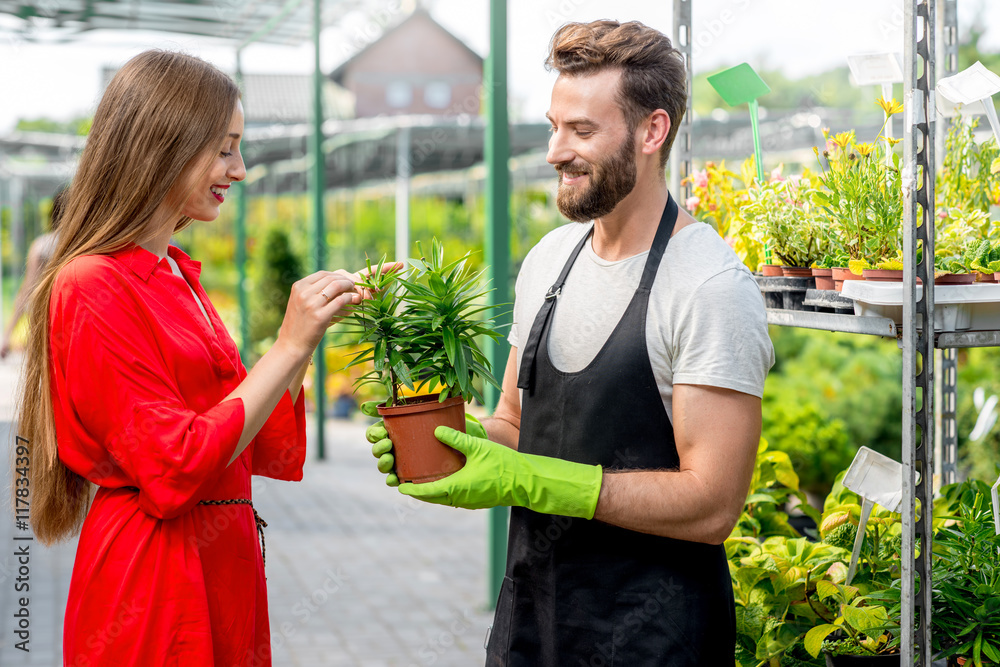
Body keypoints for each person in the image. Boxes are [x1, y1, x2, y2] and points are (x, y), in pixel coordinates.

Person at [367, 20, 774, 665]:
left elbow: (712, 504)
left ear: (652, 131)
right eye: (555, 126)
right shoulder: (550, 260)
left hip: (654, 640)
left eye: (582, 131)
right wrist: (455, 442)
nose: (556, 150)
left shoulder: (707, 286)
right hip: (533, 625)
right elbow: (514, 424)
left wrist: (537, 481)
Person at [14, 50, 382, 666]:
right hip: (156, 578)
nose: (239, 169)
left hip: (220, 557)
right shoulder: (90, 283)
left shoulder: (175, 271)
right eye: (225, 148)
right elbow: (173, 461)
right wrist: (287, 343)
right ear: (161, 145)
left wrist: (306, 337)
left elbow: (253, 438)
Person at [0, 186, 66, 359]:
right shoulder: (82, 245)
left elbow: (27, 290)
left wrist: (6, 335)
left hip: (45, 319)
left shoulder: (43, 245)